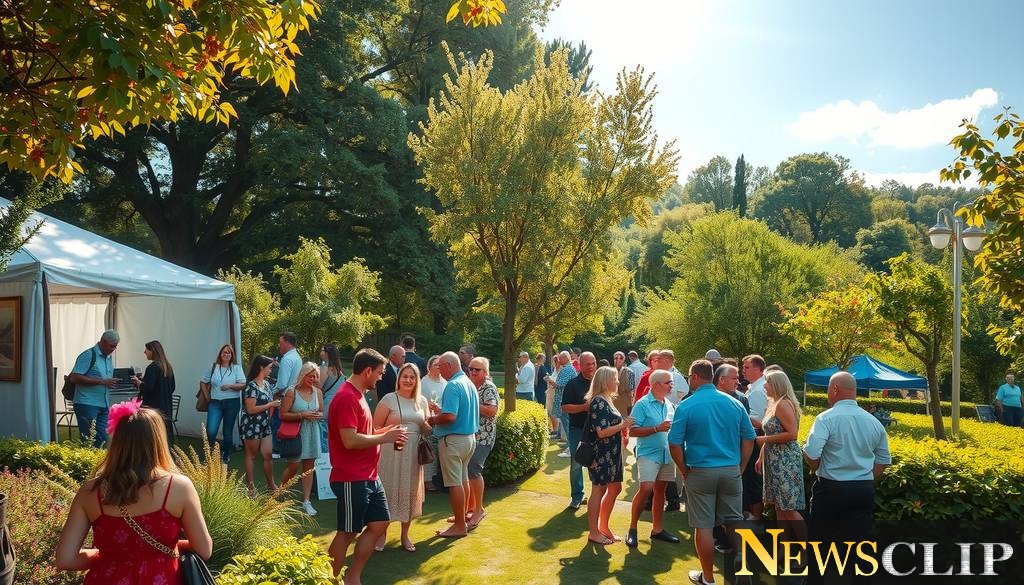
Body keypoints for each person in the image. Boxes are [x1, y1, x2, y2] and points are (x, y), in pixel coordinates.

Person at [55, 401, 212, 583]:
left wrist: (107, 555)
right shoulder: (178, 487)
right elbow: (204, 550)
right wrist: (164, 548)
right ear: (158, 440)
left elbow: (65, 559)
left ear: (117, 441)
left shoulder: (90, 492)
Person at [669, 359, 756, 585]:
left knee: (704, 525)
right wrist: (741, 466)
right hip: (730, 470)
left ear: (695, 377)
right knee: (734, 520)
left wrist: (684, 469)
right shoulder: (734, 403)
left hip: (700, 470)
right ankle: (741, 565)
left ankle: (708, 578)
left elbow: (674, 442)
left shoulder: (686, 405)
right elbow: (749, 437)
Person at [327, 348, 408, 583]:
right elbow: (350, 440)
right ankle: (328, 580)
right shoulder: (346, 397)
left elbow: (365, 432)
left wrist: (385, 431)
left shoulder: (360, 394)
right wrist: (386, 438)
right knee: (348, 531)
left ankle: (352, 577)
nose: (381, 377)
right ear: (367, 371)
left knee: (380, 523)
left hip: (369, 476)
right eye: (380, 373)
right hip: (351, 477)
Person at [803, 371, 891, 585]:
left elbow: (811, 454)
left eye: (828, 390)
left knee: (819, 542)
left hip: (831, 488)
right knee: (859, 544)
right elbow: (884, 459)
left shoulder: (826, 418)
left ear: (834, 390)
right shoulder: (873, 421)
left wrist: (818, 468)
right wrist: (868, 477)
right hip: (862, 489)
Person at [373, 363, 430, 552]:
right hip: (391, 451)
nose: (408, 380)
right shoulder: (388, 399)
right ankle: (382, 535)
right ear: (399, 379)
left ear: (417, 381)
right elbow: (373, 430)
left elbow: (426, 429)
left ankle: (405, 536)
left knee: (409, 492)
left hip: (413, 453)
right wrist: (392, 430)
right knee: (387, 493)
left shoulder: (421, 401)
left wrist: (433, 420)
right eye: (405, 376)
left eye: (412, 377)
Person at [755, 369, 807, 570]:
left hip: (785, 461)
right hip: (775, 460)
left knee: (789, 509)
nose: (764, 386)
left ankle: (805, 553)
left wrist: (763, 440)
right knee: (779, 508)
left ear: (776, 384)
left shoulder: (783, 404)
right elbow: (775, 432)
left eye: (767, 382)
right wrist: (761, 456)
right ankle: (782, 553)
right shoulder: (774, 404)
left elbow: (792, 434)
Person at [427, 351, 479, 538]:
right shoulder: (468, 383)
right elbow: (455, 412)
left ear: (449, 365)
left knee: (455, 483)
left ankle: (459, 525)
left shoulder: (452, 385)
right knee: (463, 479)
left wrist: (433, 420)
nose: (439, 370)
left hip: (454, 440)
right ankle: (461, 517)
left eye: (440, 366)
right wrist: (441, 413)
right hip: (468, 439)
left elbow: (450, 416)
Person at [626, 369, 678, 548]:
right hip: (648, 453)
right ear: (656, 385)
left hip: (666, 454)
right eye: (668, 382)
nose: (671, 385)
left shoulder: (669, 404)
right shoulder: (642, 404)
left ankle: (657, 530)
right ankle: (632, 528)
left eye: (671, 382)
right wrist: (656, 428)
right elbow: (632, 430)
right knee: (646, 488)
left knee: (660, 491)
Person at [584, 365, 633, 545]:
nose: (618, 381)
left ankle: (603, 528)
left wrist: (623, 427)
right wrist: (624, 425)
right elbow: (601, 432)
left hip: (611, 453)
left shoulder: (606, 399)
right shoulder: (598, 401)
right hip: (601, 453)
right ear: (605, 381)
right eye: (615, 378)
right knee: (599, 489)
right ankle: (594, 532)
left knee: (614, 488)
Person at [711, 362, 749, 555]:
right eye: (734, 378)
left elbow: (746, 435)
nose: (738, 381)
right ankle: (720, 539)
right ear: (721, 380)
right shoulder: (702, 399)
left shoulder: (741, 400)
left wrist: (742, 465)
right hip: (709, 464)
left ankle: (735, 549)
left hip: (732, 464)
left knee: (732, 512)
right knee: (711, 510)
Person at [279, 362, 324, 515]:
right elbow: (282, 414)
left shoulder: (318, 392)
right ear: (303, 375)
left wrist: (318, 415)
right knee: (293, 466)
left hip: (312, 432)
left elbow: (322, 412)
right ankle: (280, 492)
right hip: (296, 434)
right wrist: (301, 415)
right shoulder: (291, 392)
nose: (313, 379)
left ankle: (306, 501)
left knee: (309, 468)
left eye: (315, 376)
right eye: (310, 376)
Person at [67, 330, 119, 446]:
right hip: (87, 404)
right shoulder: (88, 355)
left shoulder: (108, 358)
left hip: (103, 404)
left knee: (103, 439)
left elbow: (105, 380)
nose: (113, 349)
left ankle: (100, 463)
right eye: (112, 346)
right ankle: (88, 463)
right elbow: (74, 378)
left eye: (116, 346)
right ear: (103, 342)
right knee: (89, 439)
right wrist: (102, 382)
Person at [240, 355, 281, 494]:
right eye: (269, 368)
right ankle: (250, 487)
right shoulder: (251, 386)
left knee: (268, 454)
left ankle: (271, 485)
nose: (271, 370)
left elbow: (269, 405)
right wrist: (271, 404)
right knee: (251, 455)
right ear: (261, 367)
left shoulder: (267, 384)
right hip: (252, 424)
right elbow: (250, 409)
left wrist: (272, 409)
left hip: (264, 424)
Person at [466, 357, 499, 529]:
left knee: (473, 470)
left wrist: (471, 404)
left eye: (476, 370)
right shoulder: (472, 385)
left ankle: (478, 510)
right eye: (470, 368)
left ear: (485, 372)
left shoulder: (488, 387)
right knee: (469, 471)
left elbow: (492, 411)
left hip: (483, 438)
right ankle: (471, 508)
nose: (472, 372)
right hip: (472, 436)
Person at [561, 352, 597, 509]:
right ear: (580, 365)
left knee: (596, 463)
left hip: (598, 430)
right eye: (588, 364)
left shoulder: (601, 382)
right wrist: (585, 407)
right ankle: (577, 497)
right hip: (577, 429)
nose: (591, 367)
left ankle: (596, 496)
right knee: (576, 464)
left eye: (593, 363)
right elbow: (565, 407)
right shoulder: (572, 384)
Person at [200, 344, 246, 464]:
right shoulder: (214, 366)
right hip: (215, 403)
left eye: (228, 353)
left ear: (232, 355)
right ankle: (209, 455)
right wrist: (207, 396)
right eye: (224, 352)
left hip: (232, 402)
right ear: (220, 354)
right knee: (211, 430)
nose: (226, 354)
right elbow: (203, 381)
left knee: (227, 431)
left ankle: (225, 455)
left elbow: (243, 384)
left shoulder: (236, 368)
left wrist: (230, 386)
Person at [132, 340, 176, 444]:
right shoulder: (168, 367)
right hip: (166, 408)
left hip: (153, 408)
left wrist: (139, 382)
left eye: (146, 350)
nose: (144, 352)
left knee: (152, 437)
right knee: (164, 437)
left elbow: (148, 388)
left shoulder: (152, 367)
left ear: (153, 351)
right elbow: (172, 387)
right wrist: (144, 380)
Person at [741, 354, 767, 525]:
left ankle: (756, 517)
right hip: (752, 437)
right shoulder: (753, 388)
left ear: (758, 369)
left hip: (756, 438)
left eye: (746, 367)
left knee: (753, 477)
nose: (743, 371)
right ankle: (752, 514)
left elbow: (758, 422)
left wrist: (738, 412)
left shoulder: (758, 390)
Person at [272, 332, 302, 458]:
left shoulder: (287, 359)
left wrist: (272, 393)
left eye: (281, 343)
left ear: (287, 343)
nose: (279, 345)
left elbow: (282, 384)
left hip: (284, 397)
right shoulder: (297, 356)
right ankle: (288, 449)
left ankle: (277, 450)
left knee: (277, 423)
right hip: (294, 395)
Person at [319, 343, 346, 452]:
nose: (320, 352)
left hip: (327, 405)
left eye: (322, 350)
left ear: (327, 353)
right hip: (338, 404)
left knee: (324, 435)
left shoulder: (325, 368)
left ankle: (325, 462)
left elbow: (318, 387)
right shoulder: (339, 369)